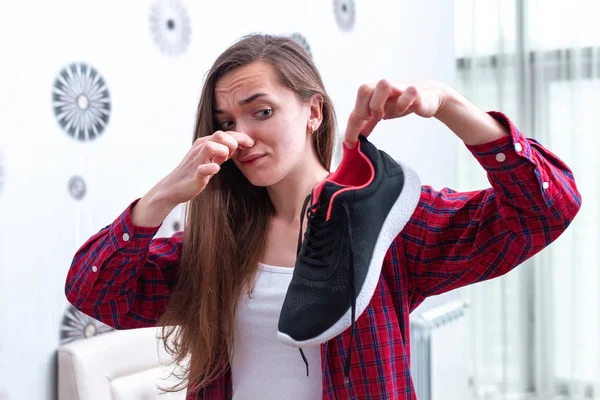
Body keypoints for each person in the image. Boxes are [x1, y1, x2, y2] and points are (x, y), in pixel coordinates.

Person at [64, 34, 581, 400]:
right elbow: (96, 293)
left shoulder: (388, 224)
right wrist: (162, 196)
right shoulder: (213, 248)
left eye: (261, 111)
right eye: (226, 121)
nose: (240, 135)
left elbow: (546, 206)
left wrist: (448, 104)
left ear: (313, 112)